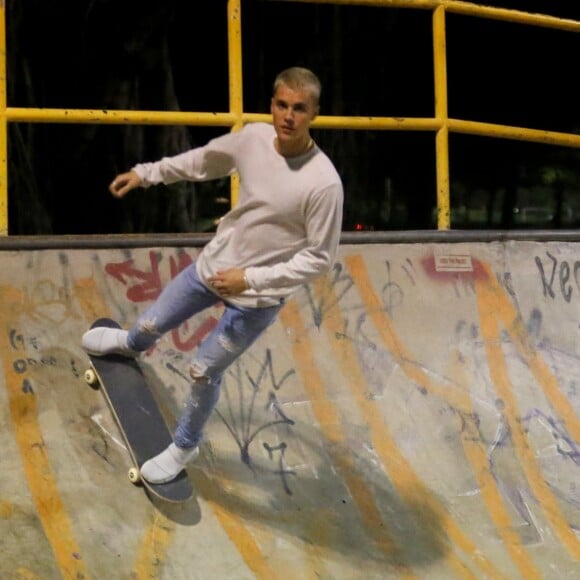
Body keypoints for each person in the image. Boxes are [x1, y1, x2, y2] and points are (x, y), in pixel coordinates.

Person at [82, 67, 344, 484]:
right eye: (281, 105)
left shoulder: (324, 183)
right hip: (212, 267)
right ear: (272, 104)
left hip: (255, 301)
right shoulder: (255, 139)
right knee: (151, 322)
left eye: (299, 109)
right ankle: (130, 345)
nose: (288, 117)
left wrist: (251, 280)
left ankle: (185, 445)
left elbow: (319, 259)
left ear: (314, 113)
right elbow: (202, 160)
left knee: (204, 371)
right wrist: (146, 173)